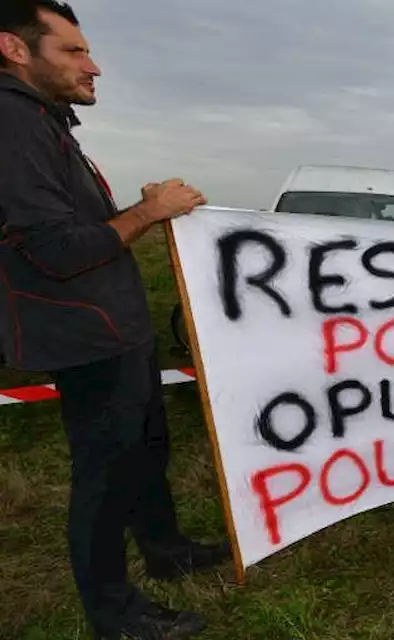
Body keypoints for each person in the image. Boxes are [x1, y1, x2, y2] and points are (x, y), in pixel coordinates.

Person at [1, 2, 229, 638]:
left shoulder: (44, 121)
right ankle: (115, 613)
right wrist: (147, 212)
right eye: (72, 50)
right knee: (103, 474)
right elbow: (56, 250)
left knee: (144, 450)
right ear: (15, 50)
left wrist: (140, 209)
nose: (92, 64)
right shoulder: (13, 123)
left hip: (116, 329)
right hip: (85, 338)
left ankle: (165, 549)